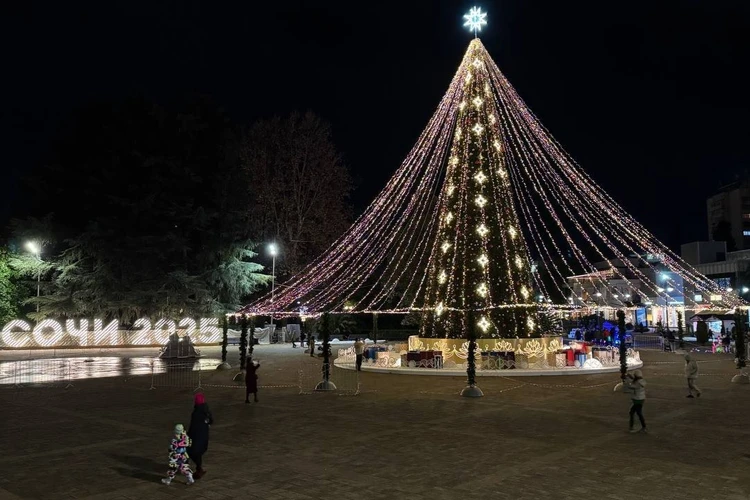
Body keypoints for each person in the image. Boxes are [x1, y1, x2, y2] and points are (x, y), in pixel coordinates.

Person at [187, 393, 213, 479]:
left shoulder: (196, 413)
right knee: (198, 453)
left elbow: (193, 426)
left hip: (196, 436)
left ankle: (196, 469)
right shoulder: (206, 411)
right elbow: (211, 421)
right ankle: (198, 469)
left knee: (191, 451)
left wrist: (188, 435)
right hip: (203, 436)